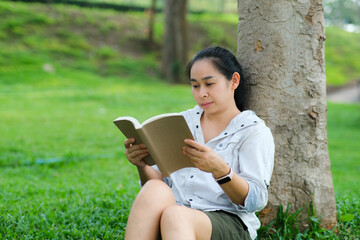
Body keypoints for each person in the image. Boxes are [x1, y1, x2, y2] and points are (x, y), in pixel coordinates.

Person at [123, 46, 275, 240]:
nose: (201, 93)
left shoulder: (252, 131)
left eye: (209, 84)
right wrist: (142, 164)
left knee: (176, 215)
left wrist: (221, 171)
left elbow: (256, 200)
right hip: (175, 220)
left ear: (234, 81)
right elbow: (165, 183)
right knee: (155, 188)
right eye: (195, 86)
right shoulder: (181, 122)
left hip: (226, 222)